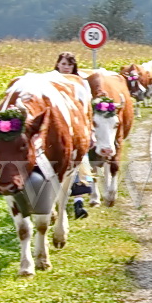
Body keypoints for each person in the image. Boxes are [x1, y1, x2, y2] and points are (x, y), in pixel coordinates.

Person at [54, 52, 91, 219]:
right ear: (57, 65)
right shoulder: (50, 82)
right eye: (63, 63)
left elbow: (86, 107)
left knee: (79, 163)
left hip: (76, 127)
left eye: (69, 64)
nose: (66, 67)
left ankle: (78, 201)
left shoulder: (81, 83)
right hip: (59, 129)